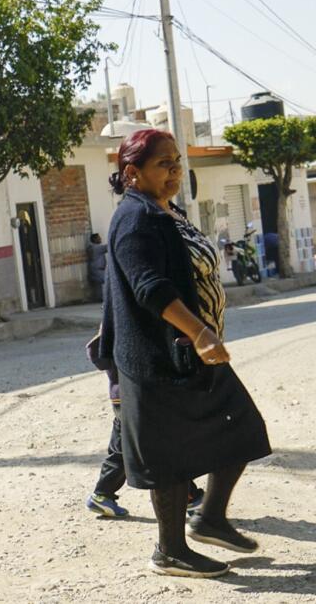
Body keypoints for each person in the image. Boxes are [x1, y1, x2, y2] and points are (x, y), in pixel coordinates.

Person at [98, 129, 271, 578]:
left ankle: (210, 517)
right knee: (168, 457)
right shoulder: (135, 219)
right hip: (157, 359)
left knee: (243, 426)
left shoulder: (164, 209)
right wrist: (200, 333)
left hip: (187, 353)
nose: (175, 171)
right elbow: (150, 288)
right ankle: (170, 550)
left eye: (177, 162)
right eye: (164, 164)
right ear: (132, 173)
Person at [85, 331, 204, 519]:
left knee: (124, 447)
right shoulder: (126, 322)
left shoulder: (112, 323)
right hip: (135, 396)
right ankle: (190, 496)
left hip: (122, 397)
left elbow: (97, 353)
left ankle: (102, 494)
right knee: (161, 443)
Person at [86, 233, 106, 302]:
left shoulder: (91, 247)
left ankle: (100, 298)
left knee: (99, 287)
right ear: (94, 239)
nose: (100, 239)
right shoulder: (97, 248)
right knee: (110, 280)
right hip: (98, 271)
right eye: (98, 238)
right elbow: (109, 247)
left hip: (94, 271)